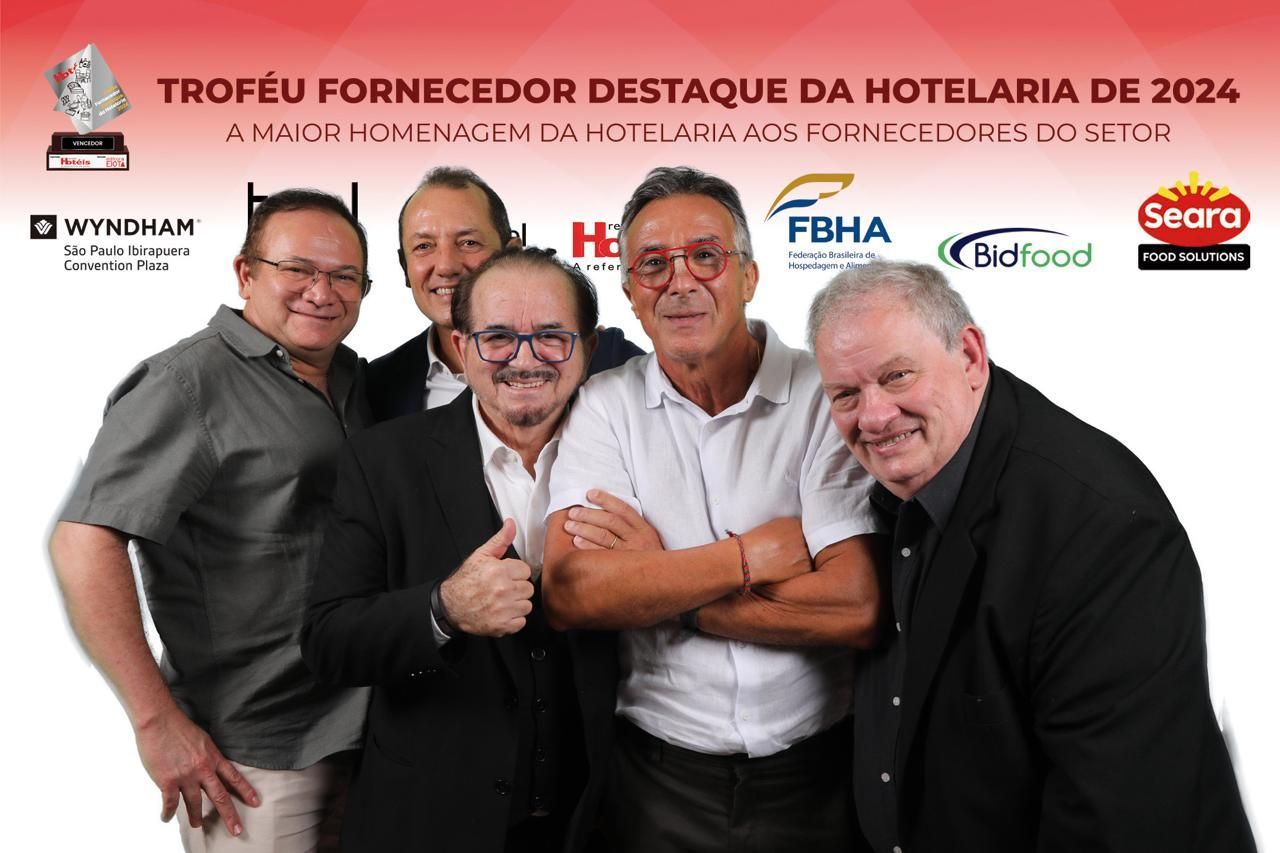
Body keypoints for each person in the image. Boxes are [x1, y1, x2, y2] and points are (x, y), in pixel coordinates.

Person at [808, 259, 1256, 853]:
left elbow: (1114, 820)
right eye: (846, 394)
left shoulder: (1102, 534)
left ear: (969, 356)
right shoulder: (909, 474)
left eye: (896, 377)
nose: (873, 416)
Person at [541, 166, 881, 853]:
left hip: (817, 777)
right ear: (632, 294)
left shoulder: (825, 393)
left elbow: (855, 606)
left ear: (749, 277)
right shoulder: (604, 405)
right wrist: (745, 558)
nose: (681, 280)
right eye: (654, 264)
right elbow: (573, 590)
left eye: (706, 255)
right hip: (657, 780)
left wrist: (660, 582)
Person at [48, 189, 373, 852]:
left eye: (345, 276)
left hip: (364, 729)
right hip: (252, 753)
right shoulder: (189, 383)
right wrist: (154, 721)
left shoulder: (353, 378)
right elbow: (84, 538)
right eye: (298, 269)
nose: (322, 291)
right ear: (246, 273)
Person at [302, 247, 615, 852]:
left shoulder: (633, 453)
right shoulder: (382, 460)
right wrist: (443, 610)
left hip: (596, 821)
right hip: (429, 819)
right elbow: (329, 641)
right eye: (497, 337)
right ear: (461, 344)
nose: (524, 360)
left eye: (552, 336)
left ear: (590, 347)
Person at [367, 166, 643, 421]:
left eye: (469, 242)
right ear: (405, 267)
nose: (446, 266)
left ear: (511, 251)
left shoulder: (609, 360)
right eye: (424, 246)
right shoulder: (377, 386)